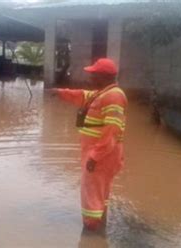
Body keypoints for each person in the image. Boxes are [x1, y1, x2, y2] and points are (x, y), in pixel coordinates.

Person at [50, 58, 128, 231]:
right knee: (100, 191)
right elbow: (82, 96)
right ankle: (100, 224)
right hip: (102, 153)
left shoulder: (114, 96)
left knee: (91, 191)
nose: (89, 77)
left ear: (102, 76)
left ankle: (91, 233)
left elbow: (112, 131)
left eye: (93, 74)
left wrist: (95, 157)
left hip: (101, 155)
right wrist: (59, 92)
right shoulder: (101, 93)